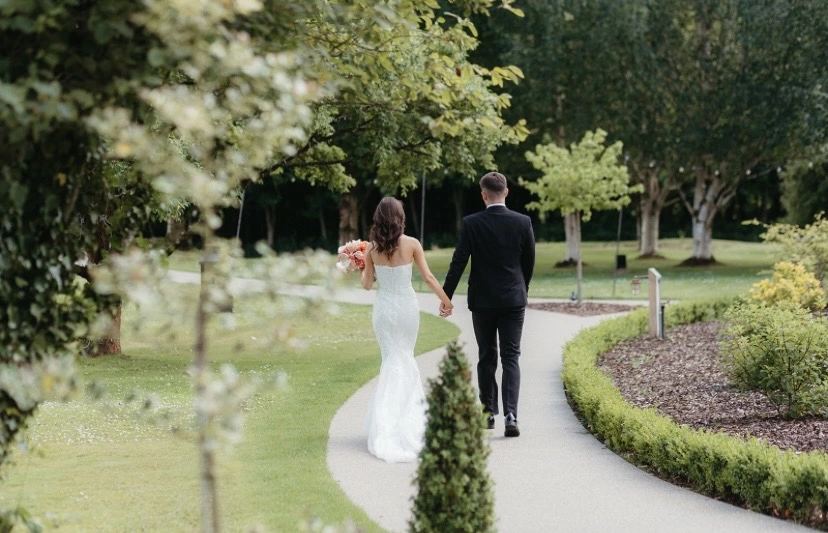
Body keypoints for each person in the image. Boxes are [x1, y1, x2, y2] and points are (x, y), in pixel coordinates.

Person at [360, 197, 454, 462]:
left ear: (378, 219)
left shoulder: (371, 249)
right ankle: (407, 421)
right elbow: (429, 277)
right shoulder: (412, 244)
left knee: (391, 359)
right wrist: (446, 302)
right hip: (406, 310)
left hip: (384, 310)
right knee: (405, 357)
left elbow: (367, 285)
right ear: (400, 218)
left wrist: (362, 266)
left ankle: (387, 423)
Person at [442, 172, 535, 437]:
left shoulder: (472, 223)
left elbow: (458, 261)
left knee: (486, 355)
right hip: (513, 300)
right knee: (511, 357)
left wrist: (446, 296)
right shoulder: (522, 222)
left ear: (484, 195)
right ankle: (511, 415)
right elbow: (528, 262)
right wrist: (521, 290)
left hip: (482, 301)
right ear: (506, 192)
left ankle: (487, 413)